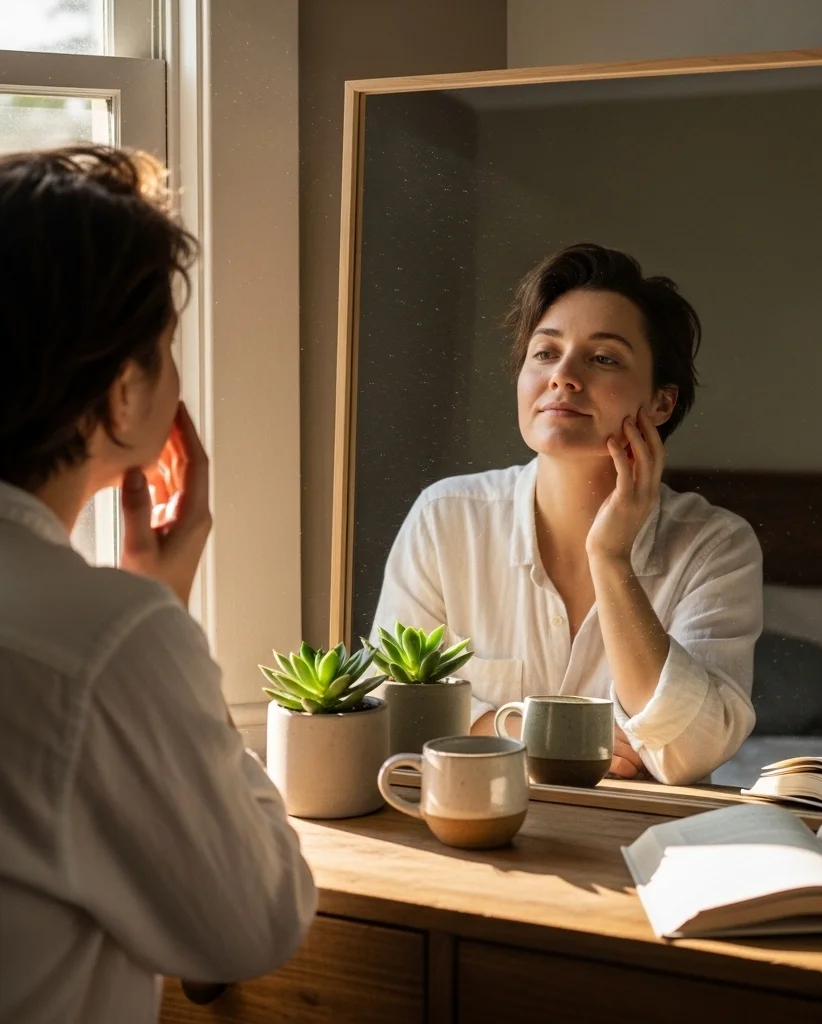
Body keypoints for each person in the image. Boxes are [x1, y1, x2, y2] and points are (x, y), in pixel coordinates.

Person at [0, 147, 316, 1023]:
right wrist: (160, 613)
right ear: (123, 391)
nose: (179, 382)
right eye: (169, 350)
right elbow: (252, 924)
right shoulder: (105, 638)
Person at [373, 243, 763, 786]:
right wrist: (545, 739)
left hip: (646, 832)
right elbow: (390, 704)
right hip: (472, 820)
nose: (563, 376)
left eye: (603, 358)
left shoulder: (715, 546)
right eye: (545, 352)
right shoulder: (447, 518)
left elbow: (689, 753)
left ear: (661, 403)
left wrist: (611, 558)